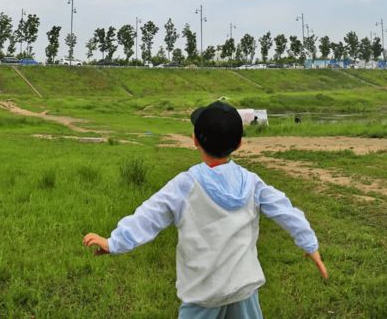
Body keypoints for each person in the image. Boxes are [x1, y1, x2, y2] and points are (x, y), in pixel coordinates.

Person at [83, 101, 328, 318]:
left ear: (194, 140)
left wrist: (115, 242)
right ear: (240, 143)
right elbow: (286, 210)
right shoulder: (252, 183)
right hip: (243, 288)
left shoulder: (186, 184)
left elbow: (150, 214)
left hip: (202, 293)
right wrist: (309, 243)